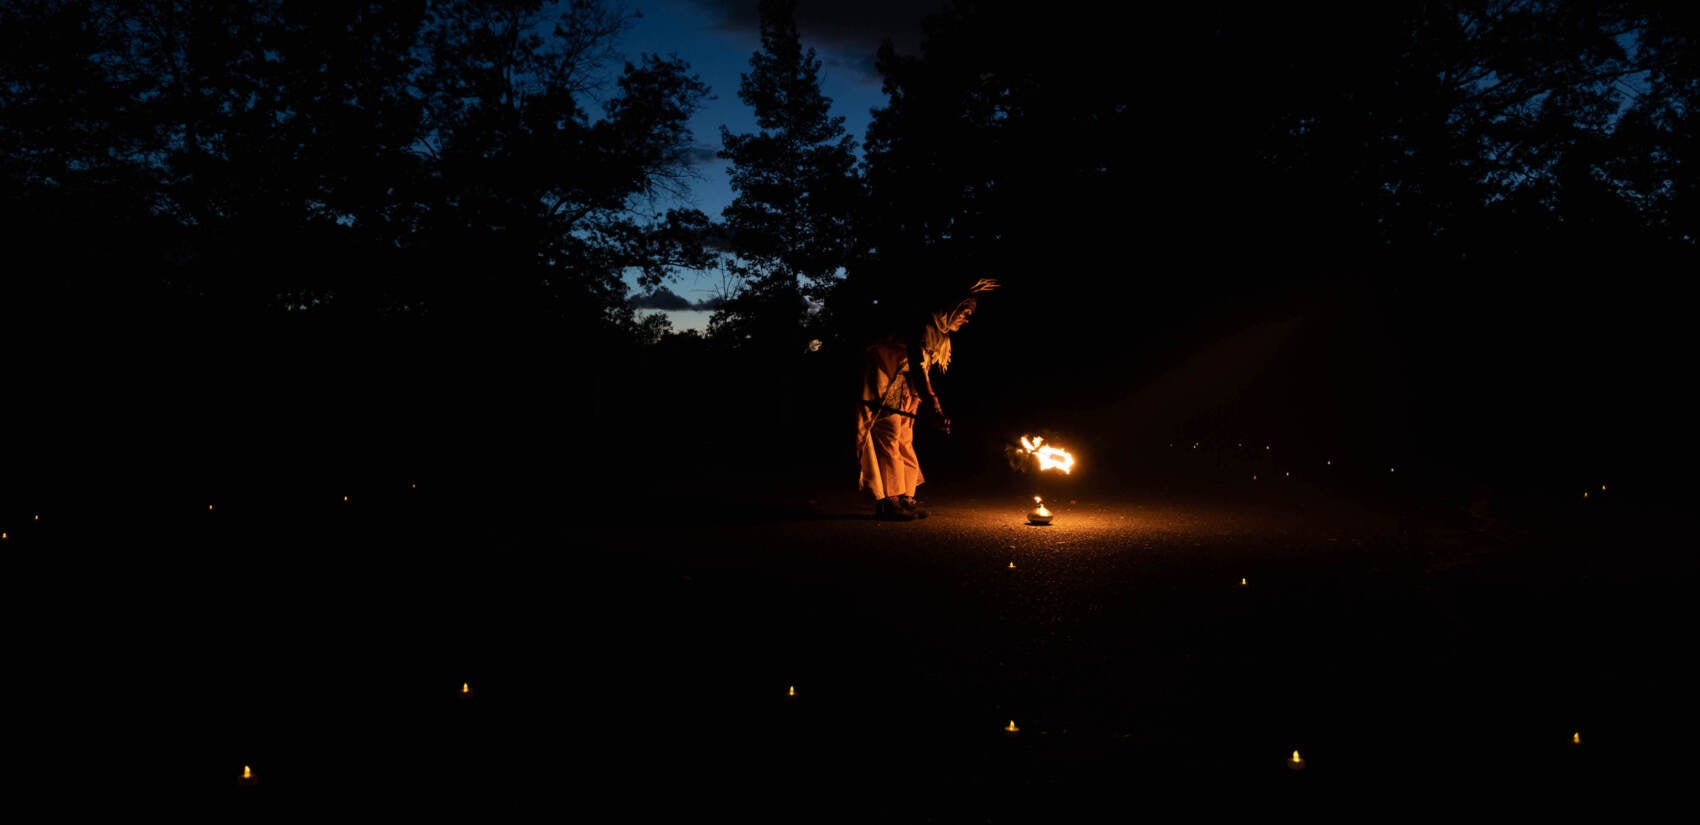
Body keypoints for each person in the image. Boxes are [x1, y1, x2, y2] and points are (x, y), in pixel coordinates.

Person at [856, 278, 999, 520]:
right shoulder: (921, 326)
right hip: (883, 384)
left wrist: (919, 399)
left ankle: (905, 498)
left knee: (904, 439)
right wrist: (933, 404)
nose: (967, 319)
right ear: (952, 307)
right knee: (889, 438)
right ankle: (888, 502)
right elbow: (916, 364)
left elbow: (920, 369)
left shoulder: (939, 335)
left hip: (905, 390)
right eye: (965, 312)